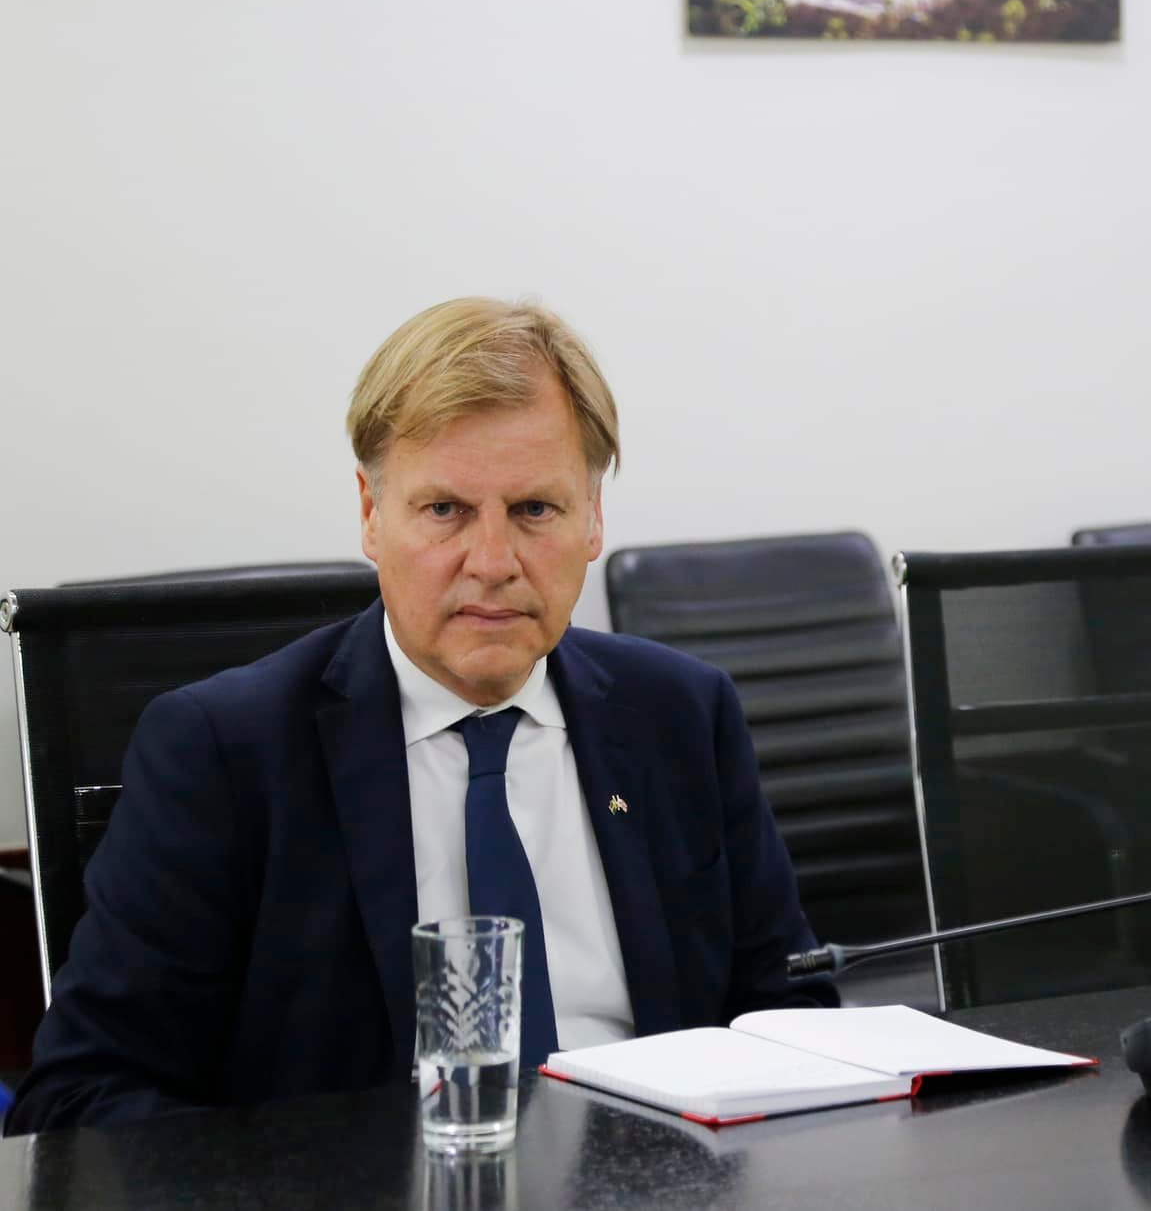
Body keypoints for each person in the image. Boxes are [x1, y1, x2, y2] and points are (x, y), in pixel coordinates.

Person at [6, 298, 834, 1134]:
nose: (493, 562)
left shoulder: (680, 716)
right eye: (445, 510)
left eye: (535, 510)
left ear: (593, 518)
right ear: (371, 514)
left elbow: (793, 1015)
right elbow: (78, 1099)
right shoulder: (223, 752)